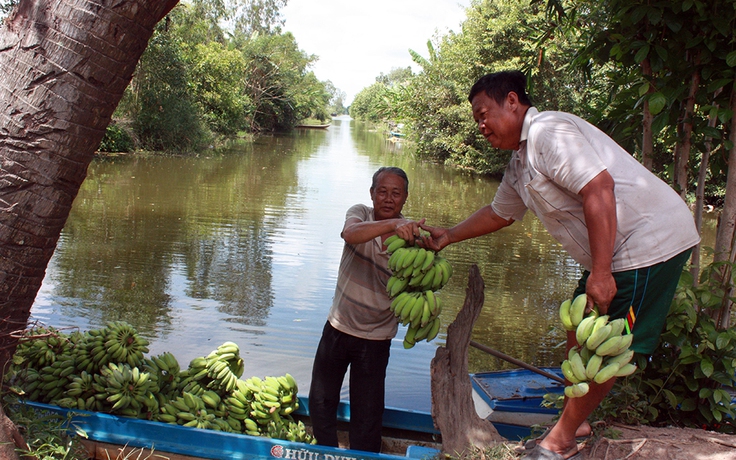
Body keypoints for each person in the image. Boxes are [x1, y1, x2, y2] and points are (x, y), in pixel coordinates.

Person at [421, 71, 700, 460]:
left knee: (611, 346)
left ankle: (560, 439)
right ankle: (577, 419)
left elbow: (598, 188)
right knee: (577, 327)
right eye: (476, 119)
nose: (481, 126)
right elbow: (500, 212)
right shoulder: (521, 161)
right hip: (613, 249)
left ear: (513, 102)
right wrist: (448, 235)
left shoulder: (548, 132)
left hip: (648, 243)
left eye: (485, 114)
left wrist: (601, 274)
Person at [308, 166, 425, 453]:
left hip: (376, 338)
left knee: (368, 415)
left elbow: (418, 288)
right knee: (321, 402)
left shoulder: (413, 239)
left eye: (396, 193)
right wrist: (391, 225)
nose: (388, 198)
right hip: (338, 327)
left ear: (405, 197)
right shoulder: (360, 213)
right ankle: (326, 453)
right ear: (372, 194)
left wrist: (419, 242)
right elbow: (350, 234)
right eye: (382, 191)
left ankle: (363, 457)